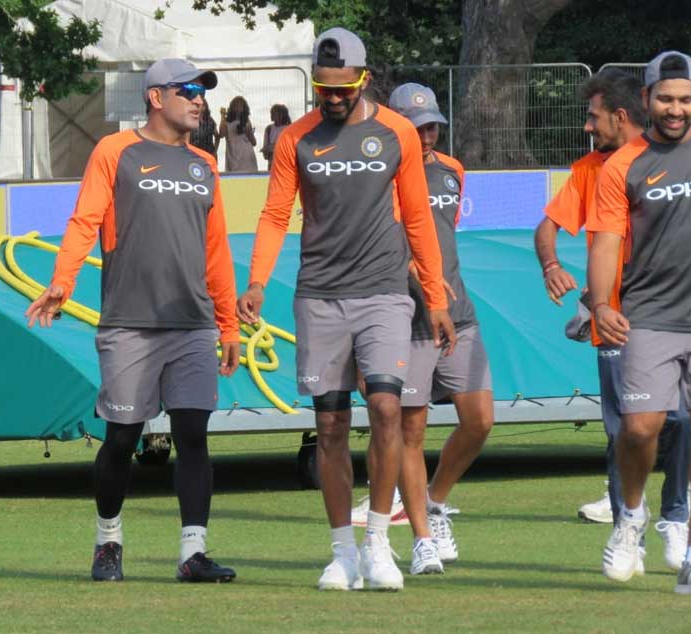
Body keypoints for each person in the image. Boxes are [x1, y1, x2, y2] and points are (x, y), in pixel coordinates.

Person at [237, 28, 455, 592]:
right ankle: (342, 555)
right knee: (330, 425)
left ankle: (378, 543)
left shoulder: (398, 132)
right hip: (319, 295)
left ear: (364, 79)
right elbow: (274, 214)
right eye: (323, 89)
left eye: (343, 88)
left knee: (385, 407)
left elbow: (417, 217)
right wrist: (257, 281)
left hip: (384, 291)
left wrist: (435, 297)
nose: (332, 98)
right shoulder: (295, 138)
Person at [25, 58, 241, 584]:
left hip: (193, 324)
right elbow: (85, 221)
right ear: (156, 97)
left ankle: (193, 554)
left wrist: (229, 325)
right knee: (123, 437)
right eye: (188, 91)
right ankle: (108, 541)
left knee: (193, 435)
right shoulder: (114, 151)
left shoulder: (204, 164)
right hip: (130, 323)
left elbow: (216, 251)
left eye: (202, 92)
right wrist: (62, 281)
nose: (199, 101)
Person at [587, 51, 691, 596]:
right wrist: (602, 304)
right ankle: (630, 517)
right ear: (647, 100)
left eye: (685, 99)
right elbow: (606, 242)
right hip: (650, 316)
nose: (675, 109)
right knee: (639, 428)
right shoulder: (622, 164)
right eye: (665, 99)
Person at [534, 68, 691, 571]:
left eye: (593, 117)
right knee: (624, 429)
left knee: (684, 420)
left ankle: (676, 516)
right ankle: (629, 527)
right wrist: (552, 266)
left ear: (620, 116)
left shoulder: (675, 160)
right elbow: (546, 229)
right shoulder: (589, 170)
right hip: (616, 321)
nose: (587, 126)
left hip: (676, 315)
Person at [383, 82, 494, 575]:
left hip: (458, 312)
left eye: (432, 126)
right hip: (406, 317)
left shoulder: (452, 171)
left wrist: (441, 291)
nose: (427, 136)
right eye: (417, 128)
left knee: (480, 420)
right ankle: (422, 539)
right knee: (411, 428)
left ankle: (434, 501)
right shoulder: (381, 175)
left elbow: (442, 237)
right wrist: (424, 286)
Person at [219, 96, 258, 172]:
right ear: (232, 108)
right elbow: (221, 134)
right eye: (235, 106)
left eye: (240, 106)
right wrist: (222, 116)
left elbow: (253, 142)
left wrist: (248, 131)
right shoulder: (227, 122)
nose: (238, 108)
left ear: (244, 108)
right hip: (232, 154)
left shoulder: (246, 121)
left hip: (246, 155)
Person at [261, 104, 291, 170]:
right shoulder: (269, 128)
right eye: (271, 113)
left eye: (274, 113)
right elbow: (265, 147)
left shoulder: (288, 129)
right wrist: (266, 150)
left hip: (284, 162)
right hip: (272, 162)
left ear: (281, 115)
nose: (271, 115)